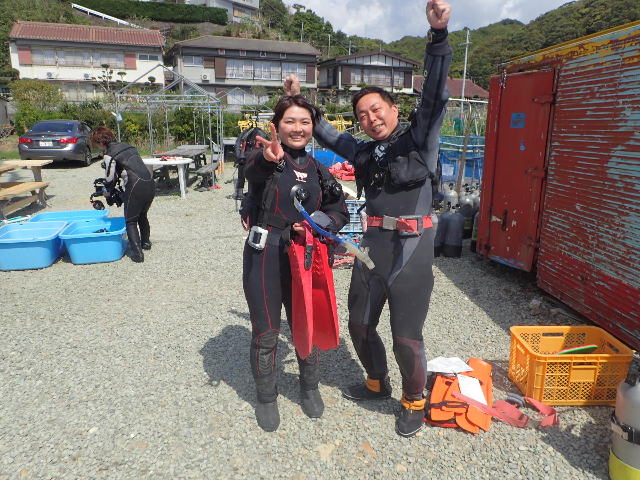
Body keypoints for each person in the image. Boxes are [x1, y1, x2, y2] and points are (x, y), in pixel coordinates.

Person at [284, 0, 452, 437]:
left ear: (393, 109)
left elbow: (435, 97)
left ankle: (413, 399)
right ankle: (377, 382)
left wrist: (438, 37)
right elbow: (324, 131)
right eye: (362, 115)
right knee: (359, 324)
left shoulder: (420, 139)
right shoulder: (362, 151)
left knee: (405, 336)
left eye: (376, 109)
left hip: (411, 250)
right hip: (370, 248)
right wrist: (297, 100)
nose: (370, 118)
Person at [241, 95, 349, 432]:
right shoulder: (266, 157)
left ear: (312, 127)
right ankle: (266, 396)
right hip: (266, 253)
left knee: (307, 323)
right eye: (290, 121)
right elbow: (251, 170)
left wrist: (319, 223)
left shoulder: (318, 169)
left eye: (304, 122)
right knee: (266, 330)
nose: (298, 128)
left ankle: (309, 387)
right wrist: (266, 158)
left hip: (304, 253)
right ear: (277, 126)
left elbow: (340, 210)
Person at [89, 126, 155, 263]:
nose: (98, 147)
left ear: (100, 142)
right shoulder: (127, 146)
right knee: (142, 215)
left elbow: (110, 179)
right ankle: (145, 243)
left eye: (96, 144)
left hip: (135, 185)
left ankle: (137, 254)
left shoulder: (109, 154)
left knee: (130, 221)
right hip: (149, 182)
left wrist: (107, 191)